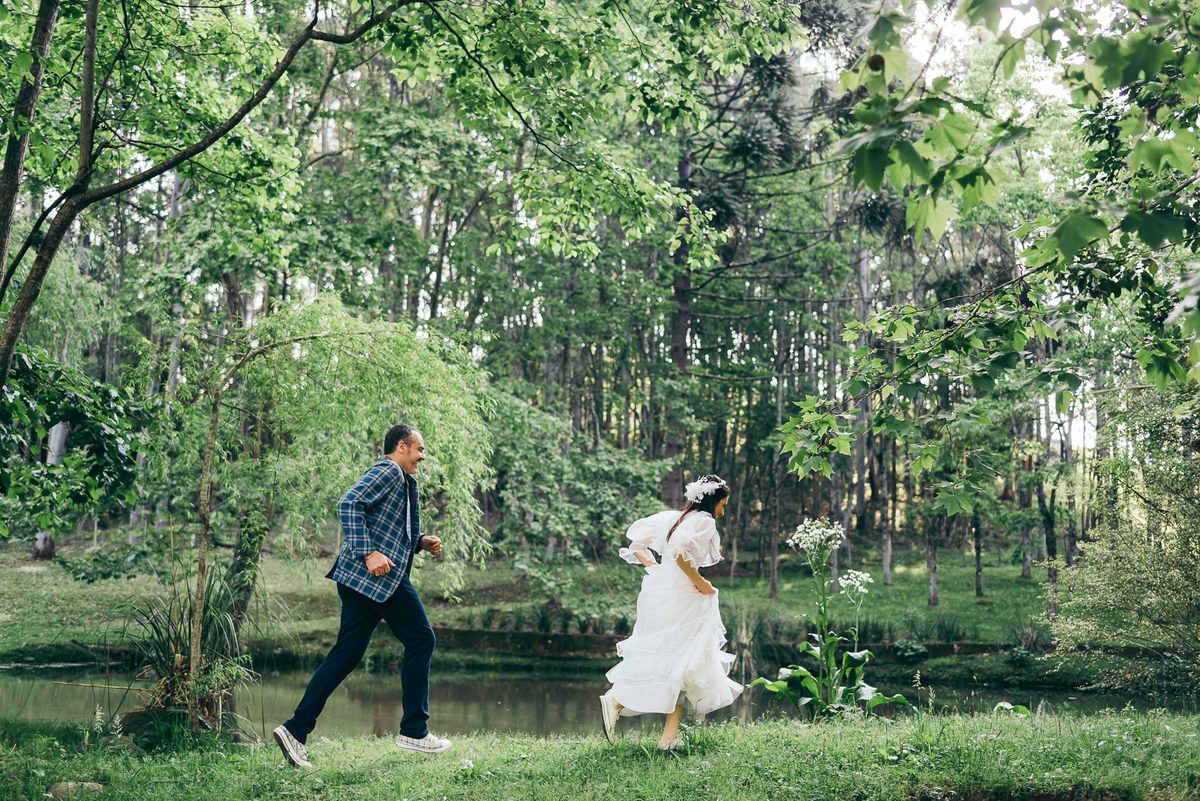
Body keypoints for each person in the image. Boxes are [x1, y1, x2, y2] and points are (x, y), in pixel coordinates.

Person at [273, 424, 452, 767]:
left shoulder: (397, 478)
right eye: (419, 449)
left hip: (358, 580)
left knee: (346, 655)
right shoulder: (389, 470)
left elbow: (384, 523)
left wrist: (419, 540)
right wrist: (369, 553)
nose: (422, 456)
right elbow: (349, 504)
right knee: (421, 640)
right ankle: (415, 731)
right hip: (378, 580)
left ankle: (296, 730)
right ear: (401, 446)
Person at [599, 475, 743, 751]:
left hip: (662, 594)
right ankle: (616, 701)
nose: (724, 511)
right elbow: (678, 552)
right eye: (723, 504)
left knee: (680, 664)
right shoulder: (704, 520)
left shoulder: (677, 519)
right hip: (684, 598)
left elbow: (637, 547)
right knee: (681, 661)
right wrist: (699, 582)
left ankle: (668, 739)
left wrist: (657, 570)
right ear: (713, 501)